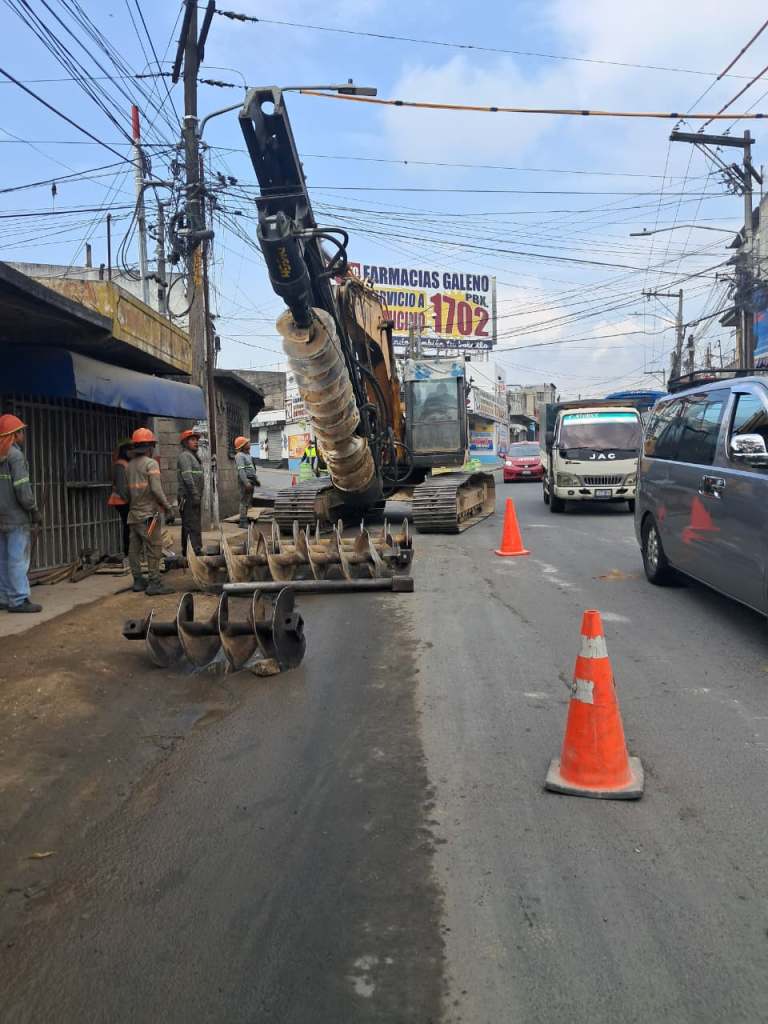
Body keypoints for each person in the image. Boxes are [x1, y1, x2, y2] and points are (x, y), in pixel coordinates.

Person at [0, 414, 42, 613]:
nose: (23, 434)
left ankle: (3, 597)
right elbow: (22, 489)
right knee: (18, 559)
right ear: (14, 435)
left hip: (1, 517)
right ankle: (18, 600)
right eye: (21, 431)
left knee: (3, 559)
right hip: (16, 518)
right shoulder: (15, 456)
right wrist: (33, 510)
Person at [126, 427, 175, 595]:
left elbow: (126, 494)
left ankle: (138, 581)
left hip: (133, 516)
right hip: (148, 516)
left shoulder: (129, 466)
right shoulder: (150, 463)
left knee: (134, 549)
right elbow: (156, 489)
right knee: (154, 547)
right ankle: (154, 582)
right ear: (149, 447)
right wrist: (168, 508)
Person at [176, 428, 203, 557]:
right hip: (188, 497)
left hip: (194, 496)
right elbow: (187, 477)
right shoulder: (185, 456)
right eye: (192, 440)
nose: (196, 442)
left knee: (194, 523)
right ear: (185, 443)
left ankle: (195, 549)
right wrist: (194, 494)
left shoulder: (193, 457)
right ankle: (191, 551)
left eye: (196, 440)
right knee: (190, 524)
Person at [107, 438, 132, 559]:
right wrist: (129, 500)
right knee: (128, 527)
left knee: (129, 526)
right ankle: (128, 552)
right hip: (122, 501)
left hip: (125, 500)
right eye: (130, 449)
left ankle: (130, 552)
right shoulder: (120, 465)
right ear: (124, 451)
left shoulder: (125, 463)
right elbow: (122, 488)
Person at [234, 435, 259, 529]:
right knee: (244, 501)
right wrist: (246, 482)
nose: (249, 444)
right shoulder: (239, 456)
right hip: (245, 481)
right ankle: (242, 521)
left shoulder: (247, 455)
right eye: (247, 443)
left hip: (250, 480)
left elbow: (251, 468)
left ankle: (244, 520)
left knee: (247, 501)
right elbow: (241, 470)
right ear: (242, 446)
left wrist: (255, 480)